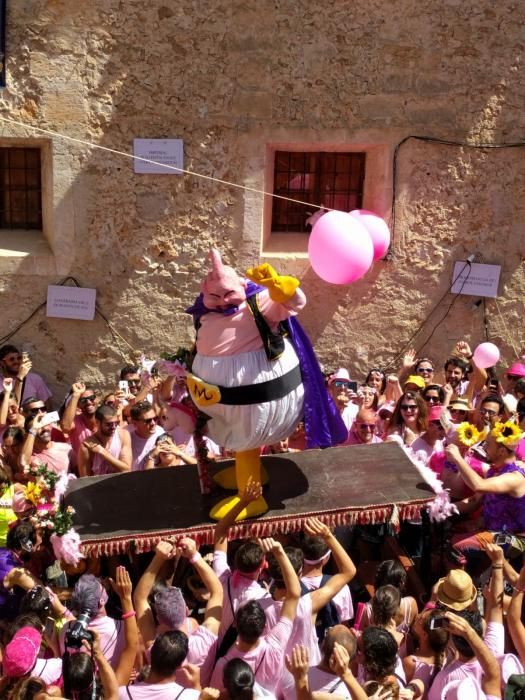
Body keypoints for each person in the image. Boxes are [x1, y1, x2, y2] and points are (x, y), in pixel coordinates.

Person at [209, 537, 300, 695]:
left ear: (236, 625)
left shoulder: (222, 665)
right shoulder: (275, 647)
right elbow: (294, 594)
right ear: (265, 626)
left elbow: (215, 695)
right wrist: (278, 552)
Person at [446, 421, 525, 553]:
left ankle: (459, 575)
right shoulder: (494, 471)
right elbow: (474, 501)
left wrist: (458, 459)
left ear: (501, 451)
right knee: (450, 531)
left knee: (456, 546)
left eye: (488, 444)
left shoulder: (515, 477)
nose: (484, 448)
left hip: (514, 537)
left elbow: (478, 486)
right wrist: (443, 509)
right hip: (492, 530)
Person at [78, 404, 132, 476]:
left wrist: (102, 452)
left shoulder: (123, 435)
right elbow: (85, 480)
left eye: (116, 423)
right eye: (109, 424)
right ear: (97, 422)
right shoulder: (87, 446)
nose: (113, 427)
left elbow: (126, 470)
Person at [60, 382, 99, 458]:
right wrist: (76, 395)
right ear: (78, 405)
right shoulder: (76, 422)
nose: (88, 402)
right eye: (83, 400)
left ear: (96, 399)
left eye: (91, 398)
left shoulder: (105, 417)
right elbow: (65, 427)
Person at [127, 400, 165, 470]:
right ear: (135, 423)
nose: (153, 423)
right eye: (148, 421)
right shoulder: (128, 439)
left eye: (155, 418)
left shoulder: (161, 432)